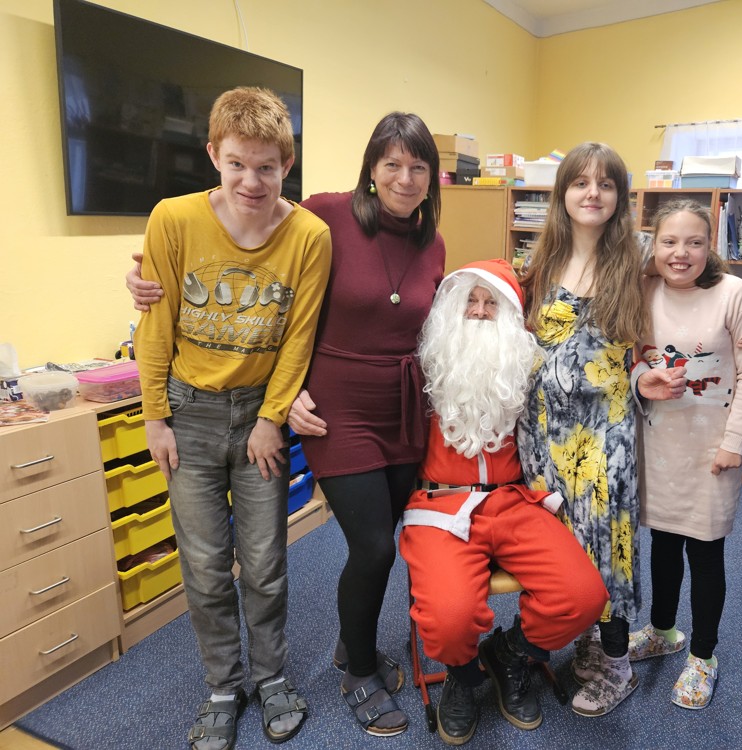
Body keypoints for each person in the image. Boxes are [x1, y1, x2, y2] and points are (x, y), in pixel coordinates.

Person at [127, 111, 446, 738]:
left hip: (391, 410)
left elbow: (325, 323)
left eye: (418, 167)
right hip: (317, 412)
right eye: (392, 164)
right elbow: (258, 294)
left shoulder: (426, 241)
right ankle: (312, 677)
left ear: (432, 177)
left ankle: (328, 654)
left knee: (330, 552)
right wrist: (142, 288)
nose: (405, 178)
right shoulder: (324, 215)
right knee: (363, 547)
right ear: (371, 169)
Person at [132, 86, 331, 750]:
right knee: (205, 565)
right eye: (238, 164)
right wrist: (154, 418)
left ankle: (271, 677)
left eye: (267, 167)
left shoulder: (309, 236)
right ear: (214, 154)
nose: (252, 181)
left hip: (257, 418)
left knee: (266, 562)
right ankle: (224, 685)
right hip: (187, 414)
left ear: (286, 165)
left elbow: (299, 335)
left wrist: (272, 418)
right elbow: (156, 322)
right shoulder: (173, 219)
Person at [400, 258, 609, 745]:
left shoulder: (522, 366)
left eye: (490, 303)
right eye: (470, 302)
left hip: (513, 502)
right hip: (439, 507)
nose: (478, 311)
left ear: (510, 316)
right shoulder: (426, 366)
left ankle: (509, 653)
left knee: (583, 598)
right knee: (450, 619)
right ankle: (463, 675)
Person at [514, 142, 652, 718]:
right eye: (580, 182)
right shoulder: (540, 261)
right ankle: (587, 643)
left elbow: (701, 282)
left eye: (606, 183)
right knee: (563, 542)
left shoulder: (638, 259)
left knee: (608, 542)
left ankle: (618, 665)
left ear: (619, 196)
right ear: (563, 193)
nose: (592, 193)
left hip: (604, 433)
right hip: (543, 430)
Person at [627, 200, 742, 711]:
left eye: (694, 242)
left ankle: (703, 656)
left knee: (705, 551)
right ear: (654, 245)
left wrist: (735, 443)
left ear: (711, 247)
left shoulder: (733, 293)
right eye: (669, 241)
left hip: (712, 448)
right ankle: (662, 630)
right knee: (663, 542)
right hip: (658, 441)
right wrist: (643, 376)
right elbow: (632, 357)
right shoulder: (642, 288)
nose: (680, 253)